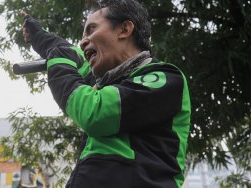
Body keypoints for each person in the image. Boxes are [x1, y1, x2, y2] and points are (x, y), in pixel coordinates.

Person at [22, 0, 191, 187]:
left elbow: (94, 113)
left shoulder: (164, 77)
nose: (83, 40)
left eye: (91, 30)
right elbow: (71, 54)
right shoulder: (110, 85)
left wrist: (59, 65)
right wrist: (39, 36)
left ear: (124, 29)